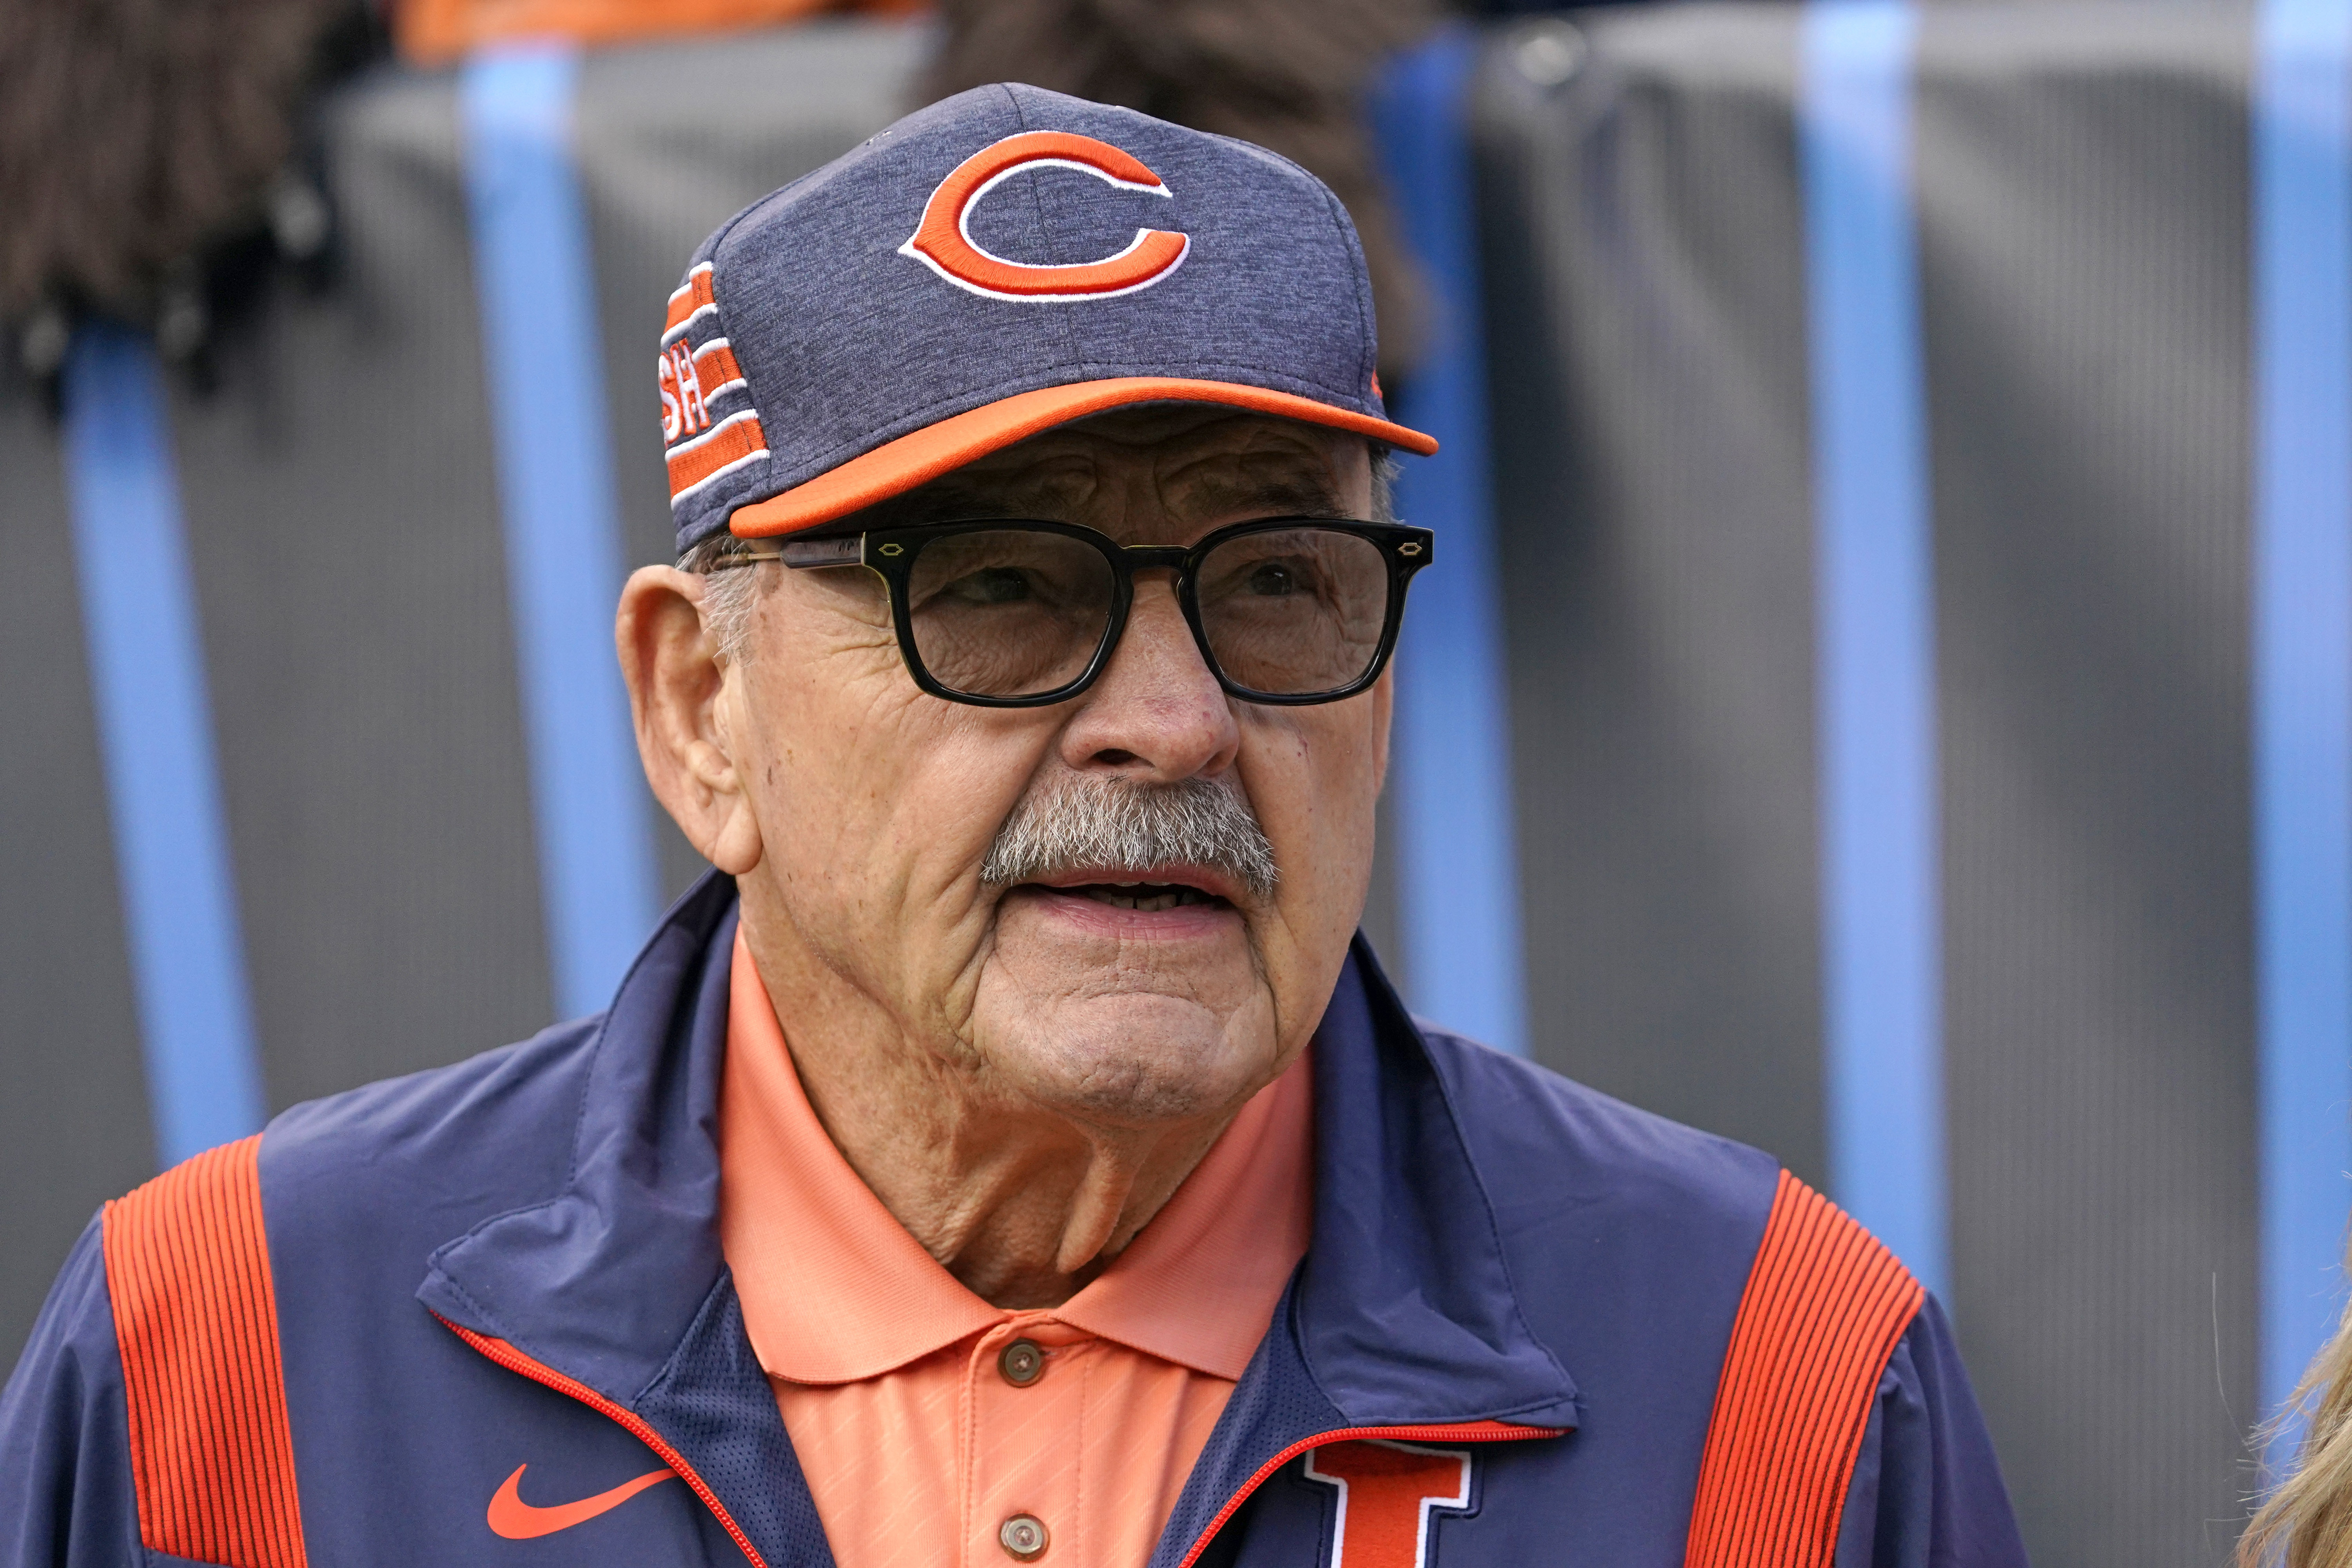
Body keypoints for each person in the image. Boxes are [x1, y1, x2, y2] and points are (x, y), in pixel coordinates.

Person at [0, 84, 2028, 1568]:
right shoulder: (225, 1369)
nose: (1174, 723)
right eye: (1001, 591)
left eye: (1274, 583)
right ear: (702, 710)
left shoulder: (1772, 1386)